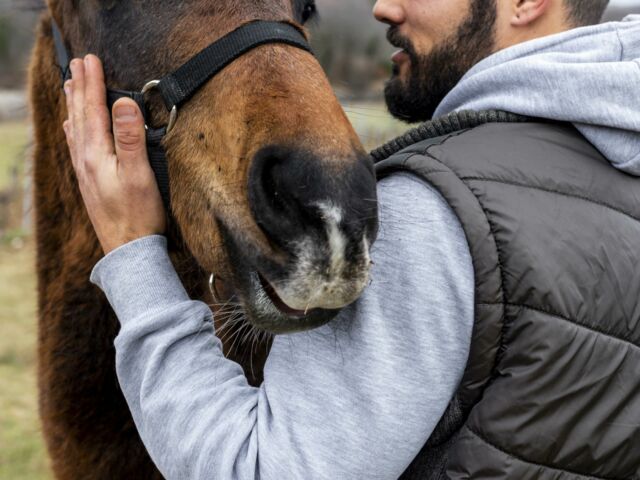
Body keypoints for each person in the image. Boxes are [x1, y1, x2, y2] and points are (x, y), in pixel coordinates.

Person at [62, 0, 640, 478]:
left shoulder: (436, 213)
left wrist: (133, 253)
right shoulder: (619, 167)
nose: (383, 7)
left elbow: (255, 469)